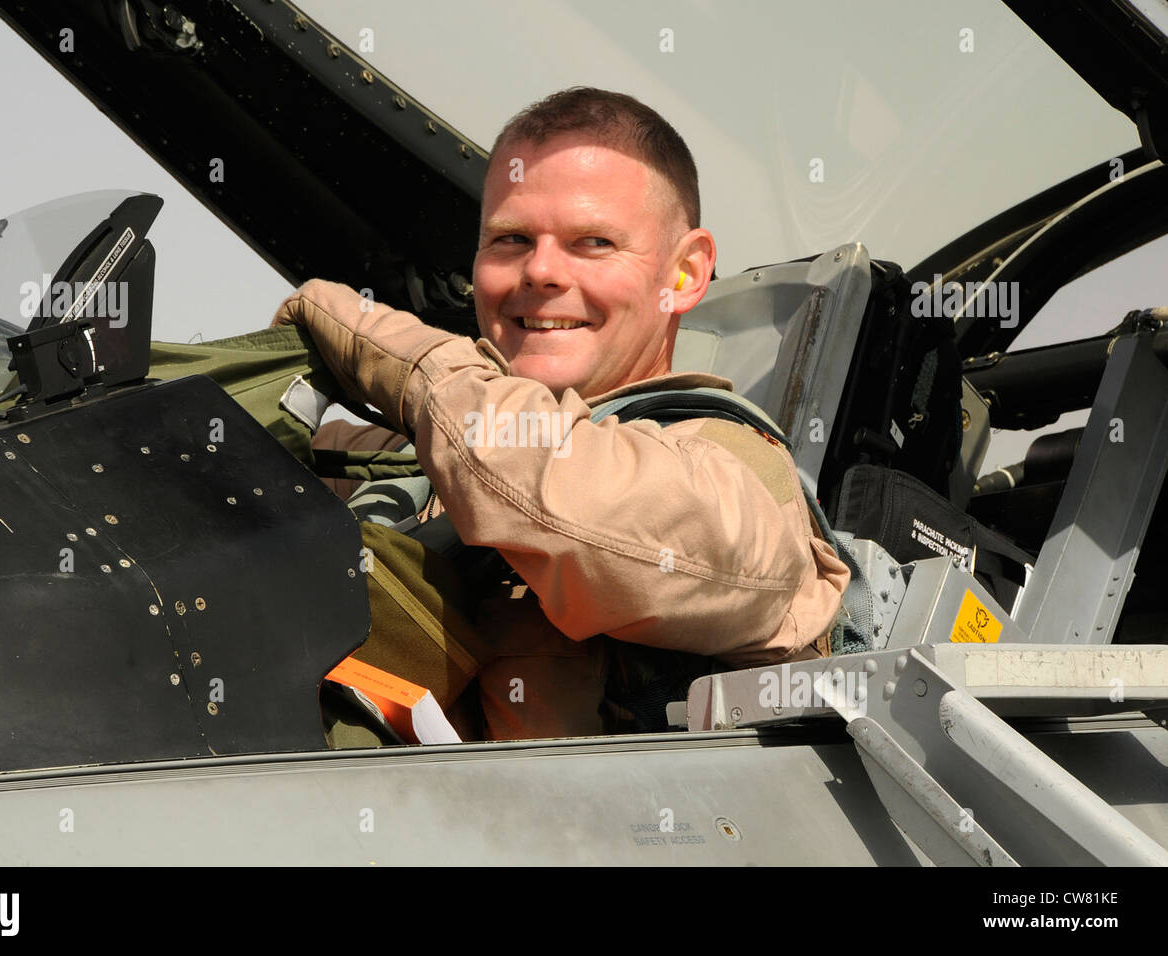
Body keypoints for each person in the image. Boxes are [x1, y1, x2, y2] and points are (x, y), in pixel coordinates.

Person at [273, 87, 849, 740]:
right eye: (511, 239)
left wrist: (402, 359)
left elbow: (568, 500)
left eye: (593, 242)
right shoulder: (405, 463)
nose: (540, 270)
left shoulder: (742, 478)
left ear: (685, 274)